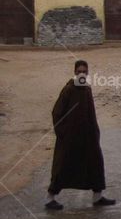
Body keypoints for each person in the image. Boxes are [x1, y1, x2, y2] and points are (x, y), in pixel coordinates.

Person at [46, 60, 115, 210]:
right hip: (70, 138)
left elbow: (90, 113)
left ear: (88, 73)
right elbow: (57, 112)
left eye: (84, 71)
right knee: (62, 165)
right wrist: (63, 133)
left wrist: (94, 132)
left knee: (95, 163)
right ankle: (50, 198)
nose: (82, 74)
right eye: (79, 72)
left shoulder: (86, 89)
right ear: (75, 72)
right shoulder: (69, 89)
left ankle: (97, 196)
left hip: (88, 137)